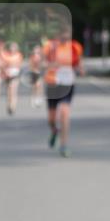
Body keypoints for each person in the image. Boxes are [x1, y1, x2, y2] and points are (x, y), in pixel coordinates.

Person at [42, 27, 85, 157]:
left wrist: (81, 70)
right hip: (53, 83)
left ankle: (64, 145)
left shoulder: (75, 47)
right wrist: (50, 65)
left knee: (65, 113)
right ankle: (54, 130)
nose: (65, 35)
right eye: (63, 32)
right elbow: (42, 63)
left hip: (68, 84)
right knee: (51, 118)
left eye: (68, 32)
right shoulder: (49, 46)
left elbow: (79, 64)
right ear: (57, 33)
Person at [1, 41, 24, 115]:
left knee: (13, 90)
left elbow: (20, 65)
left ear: (16, 48)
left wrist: (16, 70)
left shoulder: (19, 55)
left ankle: (12, 107)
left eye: (14, 47)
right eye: (11, 47)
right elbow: (3, 64)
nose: (12, 49)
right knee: (9, 91)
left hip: (15, 75)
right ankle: (8, 104)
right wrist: (5, 71)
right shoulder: (6, 55)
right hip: (7, 75)